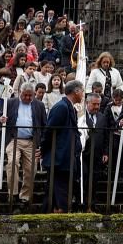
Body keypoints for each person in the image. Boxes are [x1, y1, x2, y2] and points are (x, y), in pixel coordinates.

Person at [0, 84, 47, 206]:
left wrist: (41, 144)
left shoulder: (39, 105)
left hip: (31, 141)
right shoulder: (10, 102)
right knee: (12, 162)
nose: (27, 97)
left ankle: (25, 196)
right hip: (13, 139)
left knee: (31, 169)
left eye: (30, 95)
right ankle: (13, 193)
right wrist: (1, 120)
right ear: (20, 92)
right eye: (25, 95)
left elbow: (44, 125)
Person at [42, 80, 83, 212]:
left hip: (65, 158)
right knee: (60, 194)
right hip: (59, 159)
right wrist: (43, 149)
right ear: (76, 91)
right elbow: (49, 131)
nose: (83, 94)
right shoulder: (61, 107)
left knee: (55, 193)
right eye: (82, 91)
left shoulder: (69, 107)